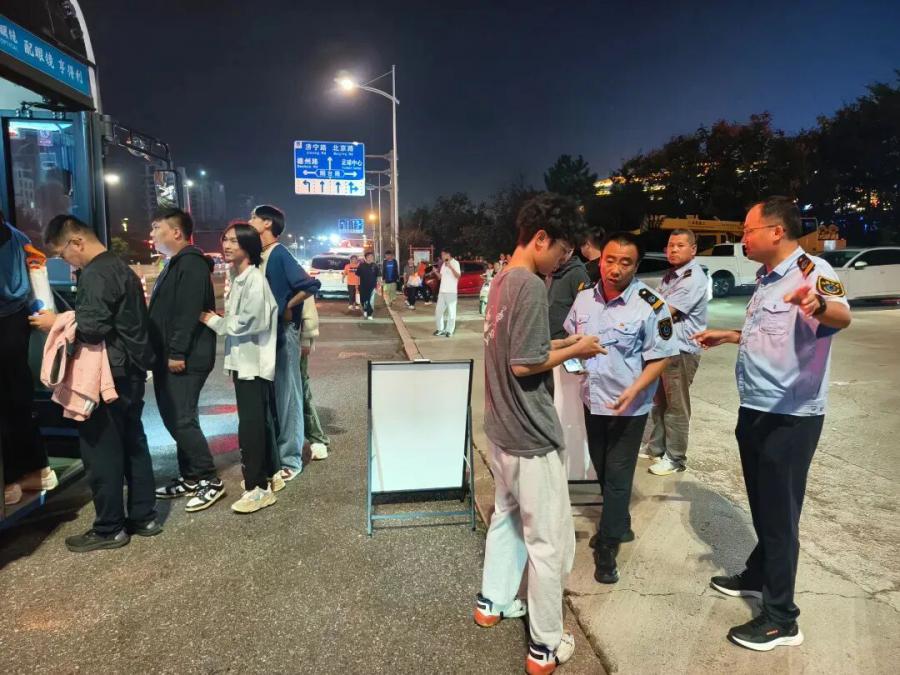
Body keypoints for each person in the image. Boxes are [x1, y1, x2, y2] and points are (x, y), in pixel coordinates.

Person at [693, 197, 851, 652]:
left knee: (780, 518)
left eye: (748, 229)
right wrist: (730, 336)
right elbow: (772, 334)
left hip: (791, 416)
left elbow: (841, 316)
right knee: (763, 505)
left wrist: (817, 304)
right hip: (757, 407)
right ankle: (759, 573)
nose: (742, 237)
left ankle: (782, 619)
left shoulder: (812, 271)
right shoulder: (766, 279)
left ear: (776, 231)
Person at [476, 193, 603, 675]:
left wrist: (565, 341)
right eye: (561, 251)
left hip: (502, 430)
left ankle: (491, 601)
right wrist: (579, 351)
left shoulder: (501, 280)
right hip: (530, 433)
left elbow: (521, 344)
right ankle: (545, 646)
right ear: (541, 238)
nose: (561, 262)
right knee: (550, 544)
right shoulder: (529, 284)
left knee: (506, 519)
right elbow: (524, 362)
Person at [31, 215, 157, 552]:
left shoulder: (96, 273)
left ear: (77, 242)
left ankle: (109, 528)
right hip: (130, 371)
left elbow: (92, 328)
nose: (65, 261)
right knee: (133, 443)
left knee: (101, 451)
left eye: (62, 253)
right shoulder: (120, 267)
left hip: (108, 378)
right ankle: (144, 517)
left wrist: (55, 322)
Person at [564, 231, 677, 584]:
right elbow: (571, 338)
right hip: (593, 400)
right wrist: (572, 361)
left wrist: (636, 390)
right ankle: (621, 522)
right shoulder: (585, 298)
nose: (615, 269)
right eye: (610, 260)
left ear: (636, 266)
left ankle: (607, 545)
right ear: (600, 260)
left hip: (630, 407)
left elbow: (662, 357)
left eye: (625, 263)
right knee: (601, 467)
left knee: (618, 474)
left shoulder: (651, 305)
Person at [200, 223, 281, 513]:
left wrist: (212, 320)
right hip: (244, 362)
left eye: (234, 241)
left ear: (248, 245)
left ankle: (258, 488)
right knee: (255, 423)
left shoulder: (254, 280)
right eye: (225, 239)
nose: (227, 245)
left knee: (250, 426)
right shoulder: (239, 278)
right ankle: (269, 475)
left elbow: (250, 322)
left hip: (252, 364)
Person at [147, 208, 224, 511]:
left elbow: (187, 311)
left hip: (186, 357)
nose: (152, 233)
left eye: (157, 227)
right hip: (171, 354)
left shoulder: (191, 263)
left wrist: (177, 351)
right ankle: (190, 476)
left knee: (181, 418)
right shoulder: (176, 262)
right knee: (174, 416)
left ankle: (209, 479)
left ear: (176, 232)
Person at [250, 205, 320, 482]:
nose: (250, 222)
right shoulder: (261, 255)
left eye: (253, 218)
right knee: (275, 395)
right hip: (267, 332)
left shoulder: (279, 253)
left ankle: (291, 459)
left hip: (283, 332)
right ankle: (278, 455)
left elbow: (310, 285)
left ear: (267, 223)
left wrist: (287, 306)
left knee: (288, 395)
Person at [640, 229, 709, 476]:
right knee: (660, 402)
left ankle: (676, 458)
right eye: (671, 245)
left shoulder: (693, 278)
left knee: (676, 406)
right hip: (665, 349)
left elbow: (664, 311)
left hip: (682, 350)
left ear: (693, 249)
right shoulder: (671, 276)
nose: (673, 249)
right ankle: (657, 448)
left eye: (680, 245)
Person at [1, 212, 58, 506]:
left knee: (8, 404)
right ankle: (37, 469)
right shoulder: (19, 238)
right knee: (18, 400)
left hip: (8, 323)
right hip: (18, 319)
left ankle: (11, 478)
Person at [547, 240, 591, 339]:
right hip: (547, 339)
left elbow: (586, 311)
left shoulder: (577, 273)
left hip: (564, 340)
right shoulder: (549, 271)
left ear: (571, 250)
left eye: (562, 252)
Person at [434, 249, 460, 337]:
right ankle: (440, 329)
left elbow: (458, 276)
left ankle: (449, 330)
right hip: (442, 291)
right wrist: (435, 272)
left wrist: (451, 267)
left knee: (451, 312)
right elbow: (440, 277)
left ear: (448, 254)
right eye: (441, 255)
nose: (442, 257)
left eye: (443, 255)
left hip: (451, 292)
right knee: (438, 311)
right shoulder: (443, 265)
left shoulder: (455, 263)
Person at [356, 251, 380, 320]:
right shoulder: (361, 266)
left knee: (370, 300)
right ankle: (365, 310)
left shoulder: (375, 266)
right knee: (363, 300)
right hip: (362, 286)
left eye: (372, 257)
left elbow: (378, 276)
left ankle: (370, 314)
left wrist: (379, 285)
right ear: (366, 258)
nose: (371, 258)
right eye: (369, 257)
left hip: (372, 286)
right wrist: (357, 286)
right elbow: (357, 276)